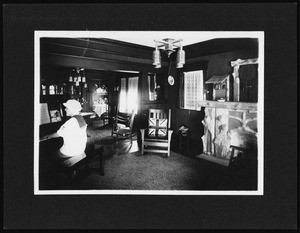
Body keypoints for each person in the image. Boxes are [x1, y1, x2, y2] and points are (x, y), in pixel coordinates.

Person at [41, 99, 88, 167]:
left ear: (72, 109)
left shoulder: (71, 122)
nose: (65, 109)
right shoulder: (80, 118)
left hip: (71, 151)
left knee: (47, 157)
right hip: (80, 148)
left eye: (67, 108)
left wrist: (48, 136)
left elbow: (58, 134)